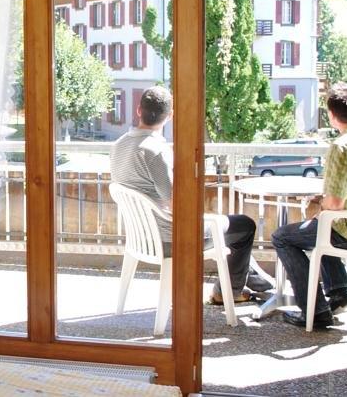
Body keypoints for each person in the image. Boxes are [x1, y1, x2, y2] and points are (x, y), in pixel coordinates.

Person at [110, 86, 270, 304]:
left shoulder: (118, 145)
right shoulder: (154, 151)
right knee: (244, 225)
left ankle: (262, 284)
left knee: (228, 230)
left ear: (139, 110)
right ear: (170, 116)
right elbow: (176, 203)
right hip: (169, 238)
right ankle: (233, 291)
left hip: (141, 236)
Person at [272, 84, 347, 328]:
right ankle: (339, 293)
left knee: (282, 237)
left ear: (331, 115)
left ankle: (315, 311)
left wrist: (321, 202)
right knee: (318, 225)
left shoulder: (343, 146)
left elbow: (334, 203)